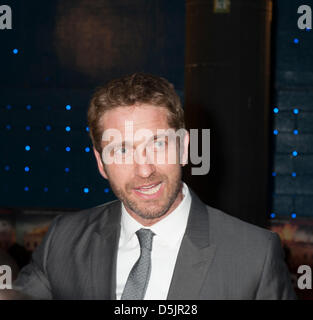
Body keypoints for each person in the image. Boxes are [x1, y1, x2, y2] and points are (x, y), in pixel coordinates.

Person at [11, 73, 295, 299]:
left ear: (184, 148)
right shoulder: (63, 239)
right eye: (122, 150)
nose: (144, 169)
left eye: (158, 144)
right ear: (100, 162)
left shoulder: (254, 255)